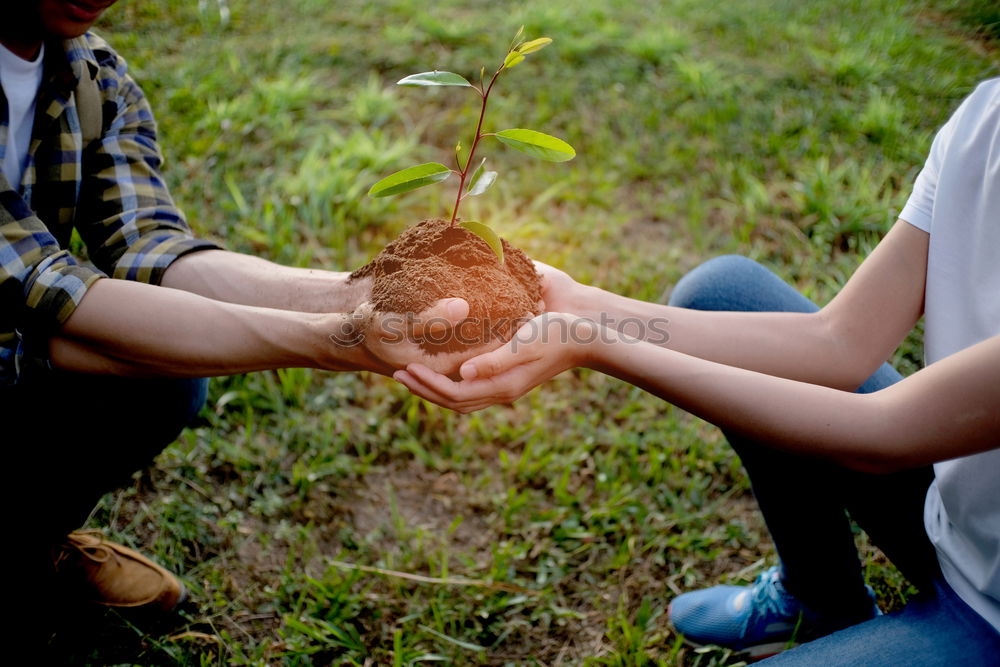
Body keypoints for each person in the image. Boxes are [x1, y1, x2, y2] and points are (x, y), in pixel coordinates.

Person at [395, 77, 1000, 663]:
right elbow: (838, 344)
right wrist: (582, 302)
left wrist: (594, 343)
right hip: (952, 512)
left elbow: (883, 434)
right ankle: (820, 601)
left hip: (989, 608)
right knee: (724, 291)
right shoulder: (984, 118)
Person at [2, 1, 477, 617]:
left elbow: (149, 245)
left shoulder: (93, 75)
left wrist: (361, 293)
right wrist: (338, 339)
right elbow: (45, 286)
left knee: (162, 379)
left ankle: (26, 543)